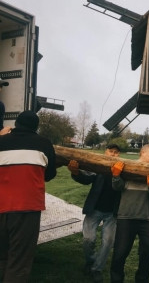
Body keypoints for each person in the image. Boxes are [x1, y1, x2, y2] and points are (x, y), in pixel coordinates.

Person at [0, 110, 57, 282]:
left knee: (2, 253)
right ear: (36, 127)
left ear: (16, 124)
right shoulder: (44, 144)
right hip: (27, 208)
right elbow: (49, 174)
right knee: (20, 259)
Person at [67, 144, 124, 282]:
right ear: (105, 152)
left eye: (116, 153)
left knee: (108, 242)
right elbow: (86, 178)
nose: (113, 154)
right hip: (95, 209)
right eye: (111, 151)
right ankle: (90, 261)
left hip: (112, 213)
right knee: (88, 239)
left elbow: (122, 186)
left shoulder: (123, 170)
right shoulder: (98, 167)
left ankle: (96, 269)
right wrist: (76, 172)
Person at [110, 144, 149, 283]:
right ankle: (116, 280)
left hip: (145, 219)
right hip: (126, 218)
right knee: (120, 253)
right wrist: (115, 176)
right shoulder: (128, 167)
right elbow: (117, 187)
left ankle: (142, 280)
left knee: (148, 251)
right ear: (142, 152)